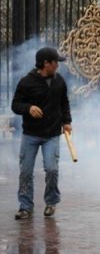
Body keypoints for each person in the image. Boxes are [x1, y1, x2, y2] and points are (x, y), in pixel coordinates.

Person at [11, 47, 72, 219]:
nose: (58, 66)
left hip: (52, 134)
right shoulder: (26, 82)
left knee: (52, 169)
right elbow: (15, 105)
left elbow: (64, 102)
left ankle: (51, 202)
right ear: (46, 64)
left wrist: (67, 121)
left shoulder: (59, 81)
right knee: (26, 171)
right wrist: (28, 108)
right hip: (31, 134)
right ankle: (25, 206)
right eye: (55, 63)